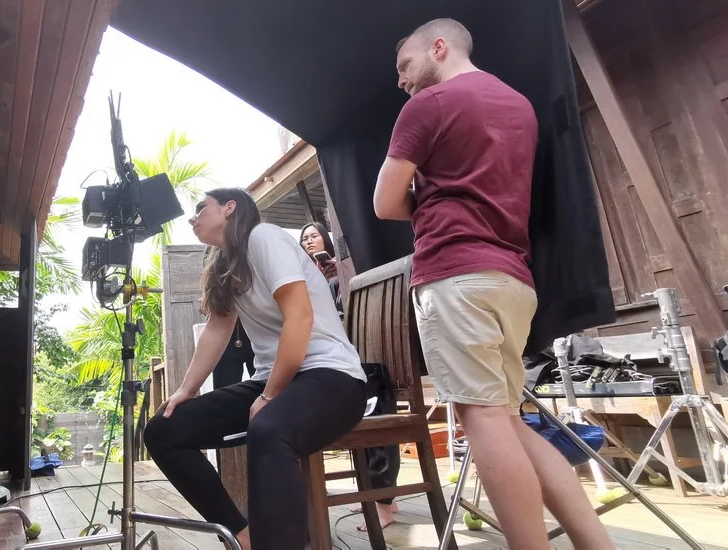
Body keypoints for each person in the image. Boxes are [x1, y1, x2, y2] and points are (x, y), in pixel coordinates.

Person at [373, 18, 613, 549]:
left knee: (481, 419)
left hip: (456, 273)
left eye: (405, 65)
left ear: (439, 47)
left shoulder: (428, 105)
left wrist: (431, 199)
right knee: (510, 421)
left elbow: (384, 202)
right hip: (513, 279)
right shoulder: (518, 105)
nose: (401, 80)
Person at [144, 188, 367, 550]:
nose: (193, 217)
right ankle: (243, 536)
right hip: (272, 381)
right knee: (163, 430)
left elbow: (300, 316)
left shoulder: (263, 237)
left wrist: (270, 395)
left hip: (332, 377)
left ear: (230, 207)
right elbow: (217, 329)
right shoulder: (225, 263)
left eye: (201, 208)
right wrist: (186, 390)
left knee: (268, 427)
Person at [299, 222, 401, 531]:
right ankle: (374, 494)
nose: (308, 241)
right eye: (304, 239)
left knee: (372, 406)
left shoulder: (343, 272)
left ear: (327, 239)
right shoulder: (306, 278)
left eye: (314, 236)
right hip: (340, 361)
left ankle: (383, 501)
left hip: (365, 358)